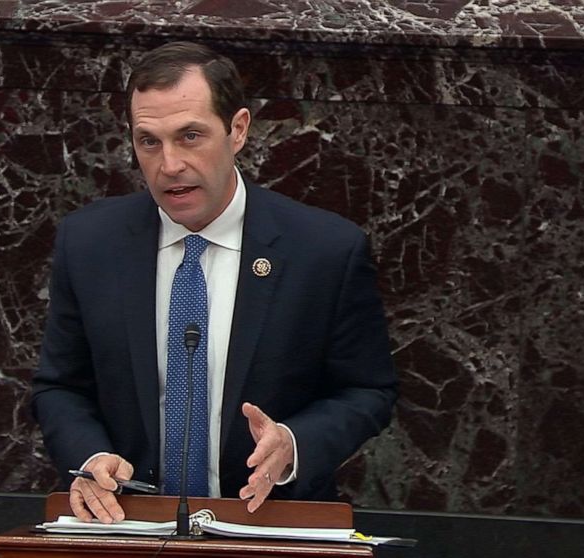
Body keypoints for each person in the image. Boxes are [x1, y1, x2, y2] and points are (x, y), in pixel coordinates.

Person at [31, 41, 397, 524]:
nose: (169, 165)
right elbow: (59, 387)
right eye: (148, 141)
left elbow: (367, 390)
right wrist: (90, 458)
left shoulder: (324, 250)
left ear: (238, 129)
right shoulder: (90, 243)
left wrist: (293, 442)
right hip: (128, 525)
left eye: (190, 136)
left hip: (268, 525)